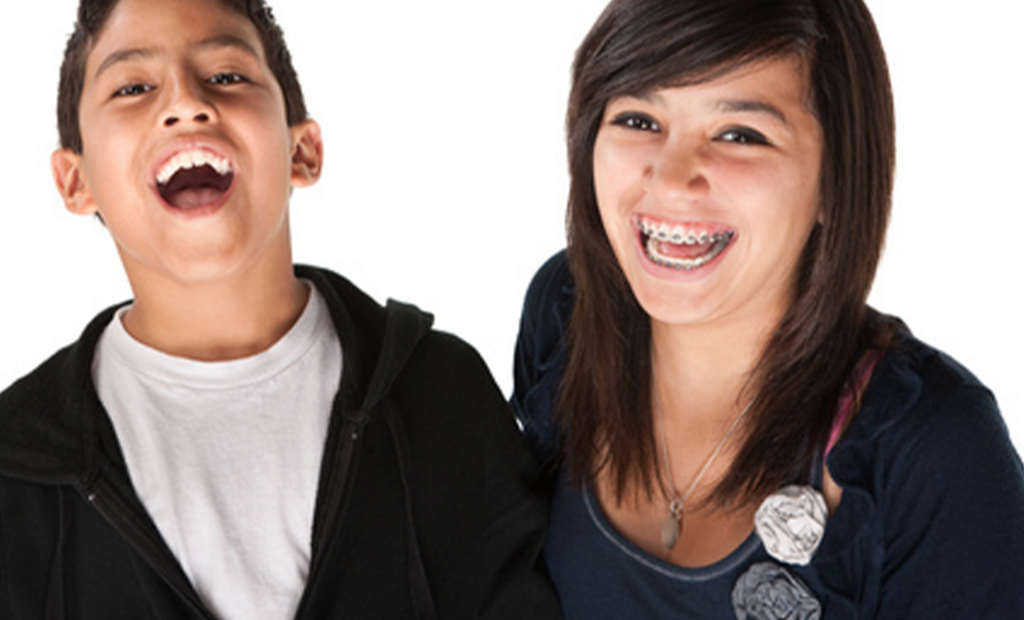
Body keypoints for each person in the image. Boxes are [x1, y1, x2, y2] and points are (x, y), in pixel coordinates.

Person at [0, 0, 561, 618]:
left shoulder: (441, 391)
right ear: (75, 181)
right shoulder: (17, 462)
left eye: (227, 76)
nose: (185, 103)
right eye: (133, 87)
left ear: (303, 152)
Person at [511, 0, 1024, 618]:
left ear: (834, 182)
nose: (672, 179)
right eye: (639, 119)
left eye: (739, 135)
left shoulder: (933, 451)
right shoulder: (566, 311)